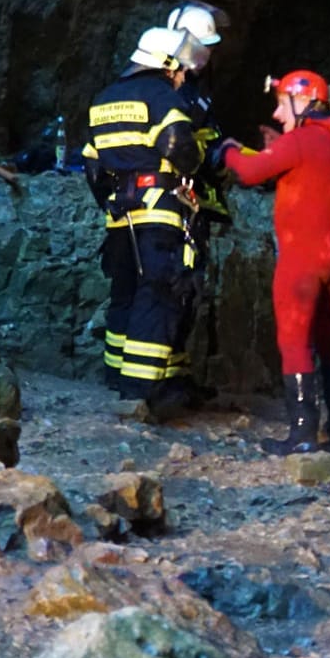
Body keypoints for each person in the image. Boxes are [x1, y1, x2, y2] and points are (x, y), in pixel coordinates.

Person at [218, 70, 330, 454]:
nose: (279, 115)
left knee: (294, 340)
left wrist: (227, 150)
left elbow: (249, 172)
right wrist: (279, 147)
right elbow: (305, 171)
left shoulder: (301, 141)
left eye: (283, 105)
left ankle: (301, 435)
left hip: (304, 255)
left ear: (304, 103)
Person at [82, 27, 213, 413]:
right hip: (159, 210)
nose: (183, 76)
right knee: (159, 293)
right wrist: (201, 156)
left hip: (121, 216)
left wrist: (111, 200)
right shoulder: (159, 94)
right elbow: (177, 145)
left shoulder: (104, 98)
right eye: (180, 68)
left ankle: (117, 378)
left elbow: (92, 165)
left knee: (124, 292)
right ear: (167, 63)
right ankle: (140, 390)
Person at [159, 0, 232, 404]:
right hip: (172, 204)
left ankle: (178, 378)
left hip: (192, 206)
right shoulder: (167, 88)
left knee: (188, 295)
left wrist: (223, 154)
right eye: (202, 45)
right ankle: (160, 384)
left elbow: (206, 139)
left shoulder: (194, 91)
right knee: (173, 291)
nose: (207, 54)